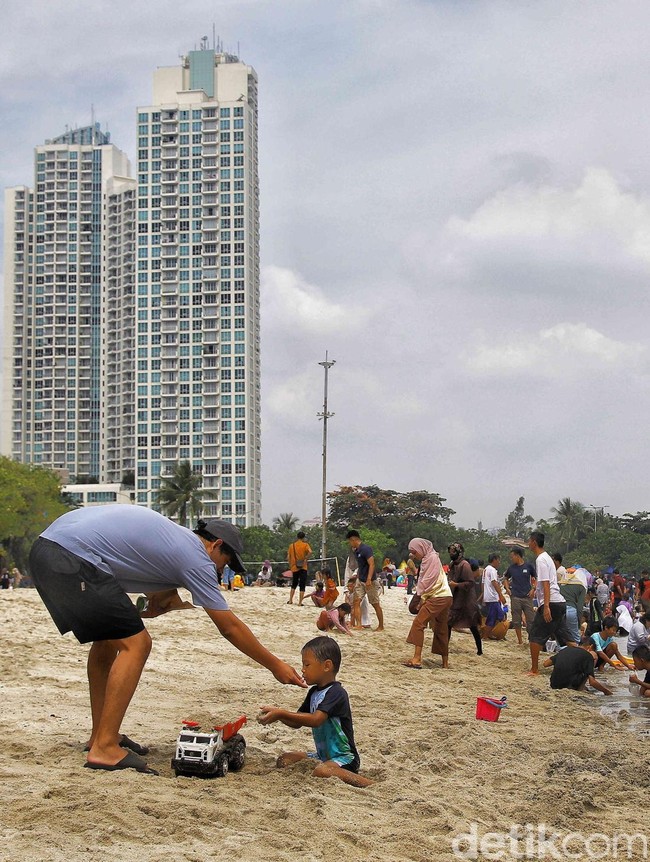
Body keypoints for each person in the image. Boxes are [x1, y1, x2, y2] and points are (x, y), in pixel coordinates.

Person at [29, 506, 305, 774]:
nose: (224, 569)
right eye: (227, 561)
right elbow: (229, 627)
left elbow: (150, 576)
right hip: (73, 557)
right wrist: (274, 665)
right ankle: (104, 747)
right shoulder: (196, 556)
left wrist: (163, 600)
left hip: (48, 549)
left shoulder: (176, 540)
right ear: (214, 545)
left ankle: (99, 735)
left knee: (108, 640)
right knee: (137, 644)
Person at [257, 636, 371, 787]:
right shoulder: (314, 692)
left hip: (344, 758)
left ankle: (369, 784)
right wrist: (277, 715)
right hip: (322, 756)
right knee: (284, 759)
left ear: (326, 666)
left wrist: (282, 713)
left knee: (321, 772)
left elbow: (316, 720)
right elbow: (297, 722)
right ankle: (326, 766)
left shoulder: (337, 692)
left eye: (307, 664)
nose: (303, 670)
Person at [527, 531, 575, 675]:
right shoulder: (547, 558)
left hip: (552, 602)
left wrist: (546, 606)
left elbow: (546, 583)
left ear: (534, 542)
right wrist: (535, 590)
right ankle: (583, 659)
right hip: (559, 602)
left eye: (529, 541)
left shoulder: (541, 559)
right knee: (566, 638)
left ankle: (534, 669)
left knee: (535, 636)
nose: (528, 543)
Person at [403, 539, 452, 669]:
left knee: (419, 623)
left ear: (420, 549)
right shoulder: (431, 558)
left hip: (437, 596)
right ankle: (445, 663)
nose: (414, 555)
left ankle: (417, 658)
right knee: (441, 628)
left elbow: (428, 581)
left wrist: (421, 598)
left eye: (414, 552)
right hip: (445, 596)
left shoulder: (431, 559)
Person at [447, 542, 482, 656]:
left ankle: (479, 650)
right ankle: (444, 647)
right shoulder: (453, 564)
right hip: (456, 598)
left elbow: (470, 583)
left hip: (467, 600)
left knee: (472, 625)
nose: (451, 554)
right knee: (449, 623)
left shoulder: (465, 565)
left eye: (453, 551)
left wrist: (456, 585)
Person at [346, 530, 384, 631]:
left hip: (370, 580)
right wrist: (357, 578)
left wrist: (369, 579)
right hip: (360, 579)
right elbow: (361, 566)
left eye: (350, 541)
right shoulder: (357, 551)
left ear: (354, 539)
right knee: (356, 601)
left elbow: (372, 564)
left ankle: (381, 626)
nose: (350, 544)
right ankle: (359, 624)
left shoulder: (366, 549)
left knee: (375, 603)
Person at [542, 645, 613, 695]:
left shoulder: (566, 649)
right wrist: (606, 691)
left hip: (554, 685)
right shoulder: (588, 656)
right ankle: (580, 688)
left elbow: (546, 664)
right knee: (586, 672)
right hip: (569, 686)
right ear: (590, 647)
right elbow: (592, 682)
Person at [503, 546, 536, 645]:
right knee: (516, 620)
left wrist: (533, 589)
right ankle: (520, 641)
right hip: (515, 596)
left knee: (530, 619)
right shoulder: (511, 568)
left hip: (527, 597)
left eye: (512, 556)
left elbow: (536, 578)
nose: (511, 558)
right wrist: (507, 588)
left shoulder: (529, 566)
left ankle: (531, 640)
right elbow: (505, 578)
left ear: (518, 556)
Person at [556, 555, 586, 645]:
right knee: (575, 637)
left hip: (560, 610)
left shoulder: (561, 584)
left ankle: (561, 654)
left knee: (561, 636)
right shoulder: (581, 587)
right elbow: (580, 607)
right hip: (571, 610)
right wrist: (578, 622)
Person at [480, 553, 506, 640]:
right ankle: (485, 635)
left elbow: (483, 583)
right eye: (498, 560)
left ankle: (488, 632)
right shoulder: (492, 570)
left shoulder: (486, 570)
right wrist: (501, 595)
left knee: (497, 616)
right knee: (495, 616)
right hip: (493, 598)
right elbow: (494, 582)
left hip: (489, 597)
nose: (499, 562)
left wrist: (484, 595)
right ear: (494, 560)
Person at [287, 531, 312, 606]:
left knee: (294, 583)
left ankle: (290, 600)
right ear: (303, 537)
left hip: (294, 567)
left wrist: (291, 565)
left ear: (297, 537)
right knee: (302, 584)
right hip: (303, 567)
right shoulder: (305, 545)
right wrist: (306, 559)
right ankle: (300, 602)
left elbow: (288, 557)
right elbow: (310, 552)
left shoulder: (292, 546)